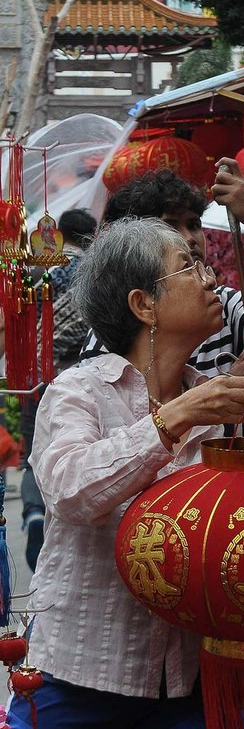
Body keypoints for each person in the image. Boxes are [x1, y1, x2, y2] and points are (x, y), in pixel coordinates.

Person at [7, 217, 244, 729]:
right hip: (83, 672)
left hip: (191, 672)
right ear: (144, 304)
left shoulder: (212, 400)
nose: (212, 280)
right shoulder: (80, 390)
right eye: (189, 267)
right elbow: (71, 490)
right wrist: (174, 418)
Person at [80, 158, 244, 400]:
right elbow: (122, 428)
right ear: (142, 305)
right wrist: (223, 393)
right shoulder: (113, 328)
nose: (190, 238)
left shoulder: (220, 303)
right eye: (170, 226)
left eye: (194, 225)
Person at [21, 208, 97, 572]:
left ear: (60, 234)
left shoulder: (38, 268)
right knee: (70, 449)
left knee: (34, 452)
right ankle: (57, 522)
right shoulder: (96, 272)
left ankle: (34, 512)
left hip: (36, 371)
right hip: (79, 375)